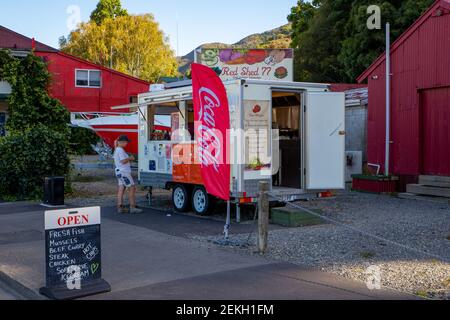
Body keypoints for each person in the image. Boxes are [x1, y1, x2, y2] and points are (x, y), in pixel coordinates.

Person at [114, 135, 143, 214]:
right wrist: (130, 158)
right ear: (122, 142)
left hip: (119, 171)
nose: (127, 144)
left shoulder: (117, 149)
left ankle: (120, 206)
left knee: (121, 188)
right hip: (124, 172)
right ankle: (132, 207)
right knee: (132, 188)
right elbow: (123, 161)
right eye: (126, 142)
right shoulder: (120, 150)